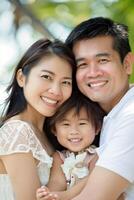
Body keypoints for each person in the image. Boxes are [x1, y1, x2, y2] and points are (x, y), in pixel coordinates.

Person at [65, 16, 134, 199]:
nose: (93, 73)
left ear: (127, 64)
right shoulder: (103, 116)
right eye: (83, 64)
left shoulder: (131, 115)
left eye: (103, 60)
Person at [0, 38, 76, 200]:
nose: (56, 90)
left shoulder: (52, 134)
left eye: (66, 82)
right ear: (21, 78)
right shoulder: (17, 131)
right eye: (47, 77)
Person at [36, 92, 105, 200]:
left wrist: (65, 196)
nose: (74, 131)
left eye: (82, 124)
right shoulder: (59, 157)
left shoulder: (96, 155)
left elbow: (92, 181)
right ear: (54, 130)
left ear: (97, 128)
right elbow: (57, 181)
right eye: (66, 124)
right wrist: (49, 194)